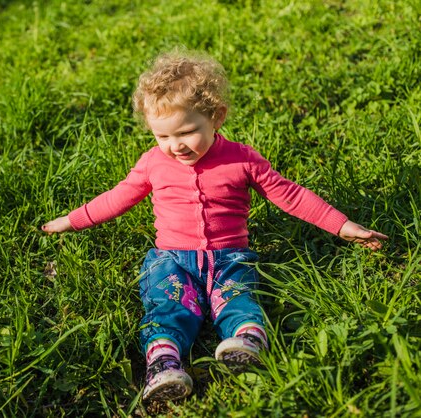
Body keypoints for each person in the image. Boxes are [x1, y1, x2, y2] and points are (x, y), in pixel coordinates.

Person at [41, 50, 388, 404]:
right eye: (162, 137)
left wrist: (341, 225)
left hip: (229, 257)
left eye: (188, 132)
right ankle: (163, 363)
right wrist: (72, 220)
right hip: (172, 260)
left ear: (216, 117)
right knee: (167, 307)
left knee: (239, 299)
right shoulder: (152, 164)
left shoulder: (242, 159)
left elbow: (290, 195)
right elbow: (117, 197)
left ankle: (247, 341)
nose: (175, 146)